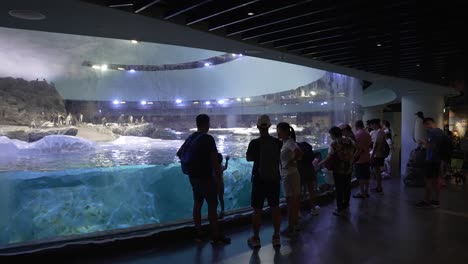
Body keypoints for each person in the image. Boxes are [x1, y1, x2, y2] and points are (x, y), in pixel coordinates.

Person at [176, 114, 230, 245]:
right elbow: (214, 160)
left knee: (198, 203)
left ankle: (199, 233)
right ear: (207, 123)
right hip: (206, 177)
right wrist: (216, 176)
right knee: (213, 205)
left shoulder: (191, 137)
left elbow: (179, 154)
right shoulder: (208, 139)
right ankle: (215, 236)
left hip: (193, 177)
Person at [246, 115, 282, 249]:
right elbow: (280, 158)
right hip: (274, 179)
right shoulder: (278, 143)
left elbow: (249, 158)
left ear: (257, 127)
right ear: (270, 126)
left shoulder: (254, 143)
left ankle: (256, 238)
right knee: (275, 208)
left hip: (259, 179)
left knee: (257, 210)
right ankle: (276, 237)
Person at [319, 126, 356, 216]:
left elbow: (329, 157)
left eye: (330, 135)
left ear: (333, 134)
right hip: (349, 168)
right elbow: (356, 149)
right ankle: (346, 204)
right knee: (347, 187)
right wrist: (351, 158)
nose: (330, 136)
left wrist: (320, 163)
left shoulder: (334, 144)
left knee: (339, 189)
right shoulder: (349, 141)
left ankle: (339, 208)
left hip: (338, 170)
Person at [415, 118, 448, 208]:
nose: (426, 128)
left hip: (431, 159)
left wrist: (424, 142)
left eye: (425, 126)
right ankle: (436, 201)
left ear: (427, 124)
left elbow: (431, 146)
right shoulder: (441, 132)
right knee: (436, 180)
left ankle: (427, 201)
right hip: (438, 159)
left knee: (428, 181)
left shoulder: (431, 132)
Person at [277, 122, 302, 237]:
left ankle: (291, 227)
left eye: (279, 131)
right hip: (291, 174)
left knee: (290, 201)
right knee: (294, 200)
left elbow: (298, 153)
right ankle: (295, 224)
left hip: (289, 175)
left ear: (286, 131)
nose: (277, 133)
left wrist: (290, 162)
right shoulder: (286, 142)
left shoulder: (289, 142)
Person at [297, 141, 320, 216]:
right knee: (311, 190)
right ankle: (313, 208)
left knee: (299, 191)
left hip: (300, 171)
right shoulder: (307, 147)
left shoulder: (297, 147)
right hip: (310, 170)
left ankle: (298, 211)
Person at [353, 120, 372, 199]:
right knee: (366, 176)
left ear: (356, 126)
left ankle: (362, 193)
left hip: (359, 159)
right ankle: (366, 192)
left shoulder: (357, 134)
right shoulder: (367, 133)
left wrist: (353, 157)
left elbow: (359, 149)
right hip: (367, 158)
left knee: (360, 177)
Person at [370, 119, 387, 194]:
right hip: (377, 154)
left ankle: (379, 187)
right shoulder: (378, 132)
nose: (371, 126)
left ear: (375, 124)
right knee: (376, 171)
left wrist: (372, 155)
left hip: (378, 155)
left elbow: (377, 144)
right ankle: (378, 186)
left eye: (372, 124)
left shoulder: (380, 132)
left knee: (377, 171)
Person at [216, 153, 229, 219]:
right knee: (221, 198)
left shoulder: (214, 167)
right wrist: (227, 160)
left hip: (215, 185)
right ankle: (222, 211)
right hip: (221, 184)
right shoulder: (221, 166)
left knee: (215, 199)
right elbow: (226, 167)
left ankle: (214, 212)